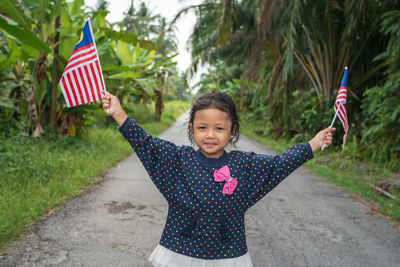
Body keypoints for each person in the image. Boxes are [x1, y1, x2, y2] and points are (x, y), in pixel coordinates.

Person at [102, 91, 334, 267]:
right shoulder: (177, 161)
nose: (210, 135)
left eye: (220, 128)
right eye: (203, 127)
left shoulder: (245, 166)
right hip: (180, 253)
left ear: (232, 131)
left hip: (228, 256)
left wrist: (313, 144)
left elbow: (279, 165)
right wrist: (119, 113)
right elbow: (146, 144)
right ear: (192, 129)